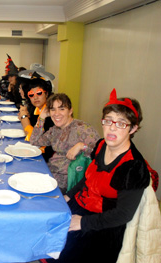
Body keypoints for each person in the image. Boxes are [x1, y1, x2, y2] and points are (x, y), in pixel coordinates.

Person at [47, 89, 152, 263]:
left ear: (133, 128)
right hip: (79, 205)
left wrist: (83, 223)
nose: (112, 127)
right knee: (47, 222)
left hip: (102, 224)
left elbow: (123, 214)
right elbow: (89, 179)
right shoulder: (101, 145)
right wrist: (68, 195)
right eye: (108, 121)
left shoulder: (133, 167)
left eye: (121, 123)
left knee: (62, 249)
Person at [30, 93, 100, 192]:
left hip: (67, 184)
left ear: (70, 111)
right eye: (53, 109)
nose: (56, 113)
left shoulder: (83, 129)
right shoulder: (55, 130)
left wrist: (81, 146)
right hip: (50, 174)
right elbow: (34, 141)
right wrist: (41, 118)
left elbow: (100, 152)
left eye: (62, 109)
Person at [18, 72, 55, 161]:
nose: (35, 97)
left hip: (47, 158)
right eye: (31, 94)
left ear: (46, 94)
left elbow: (32, 138)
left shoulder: (50, 113)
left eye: (39, 93)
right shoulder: (36, 110)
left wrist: (24, 117)